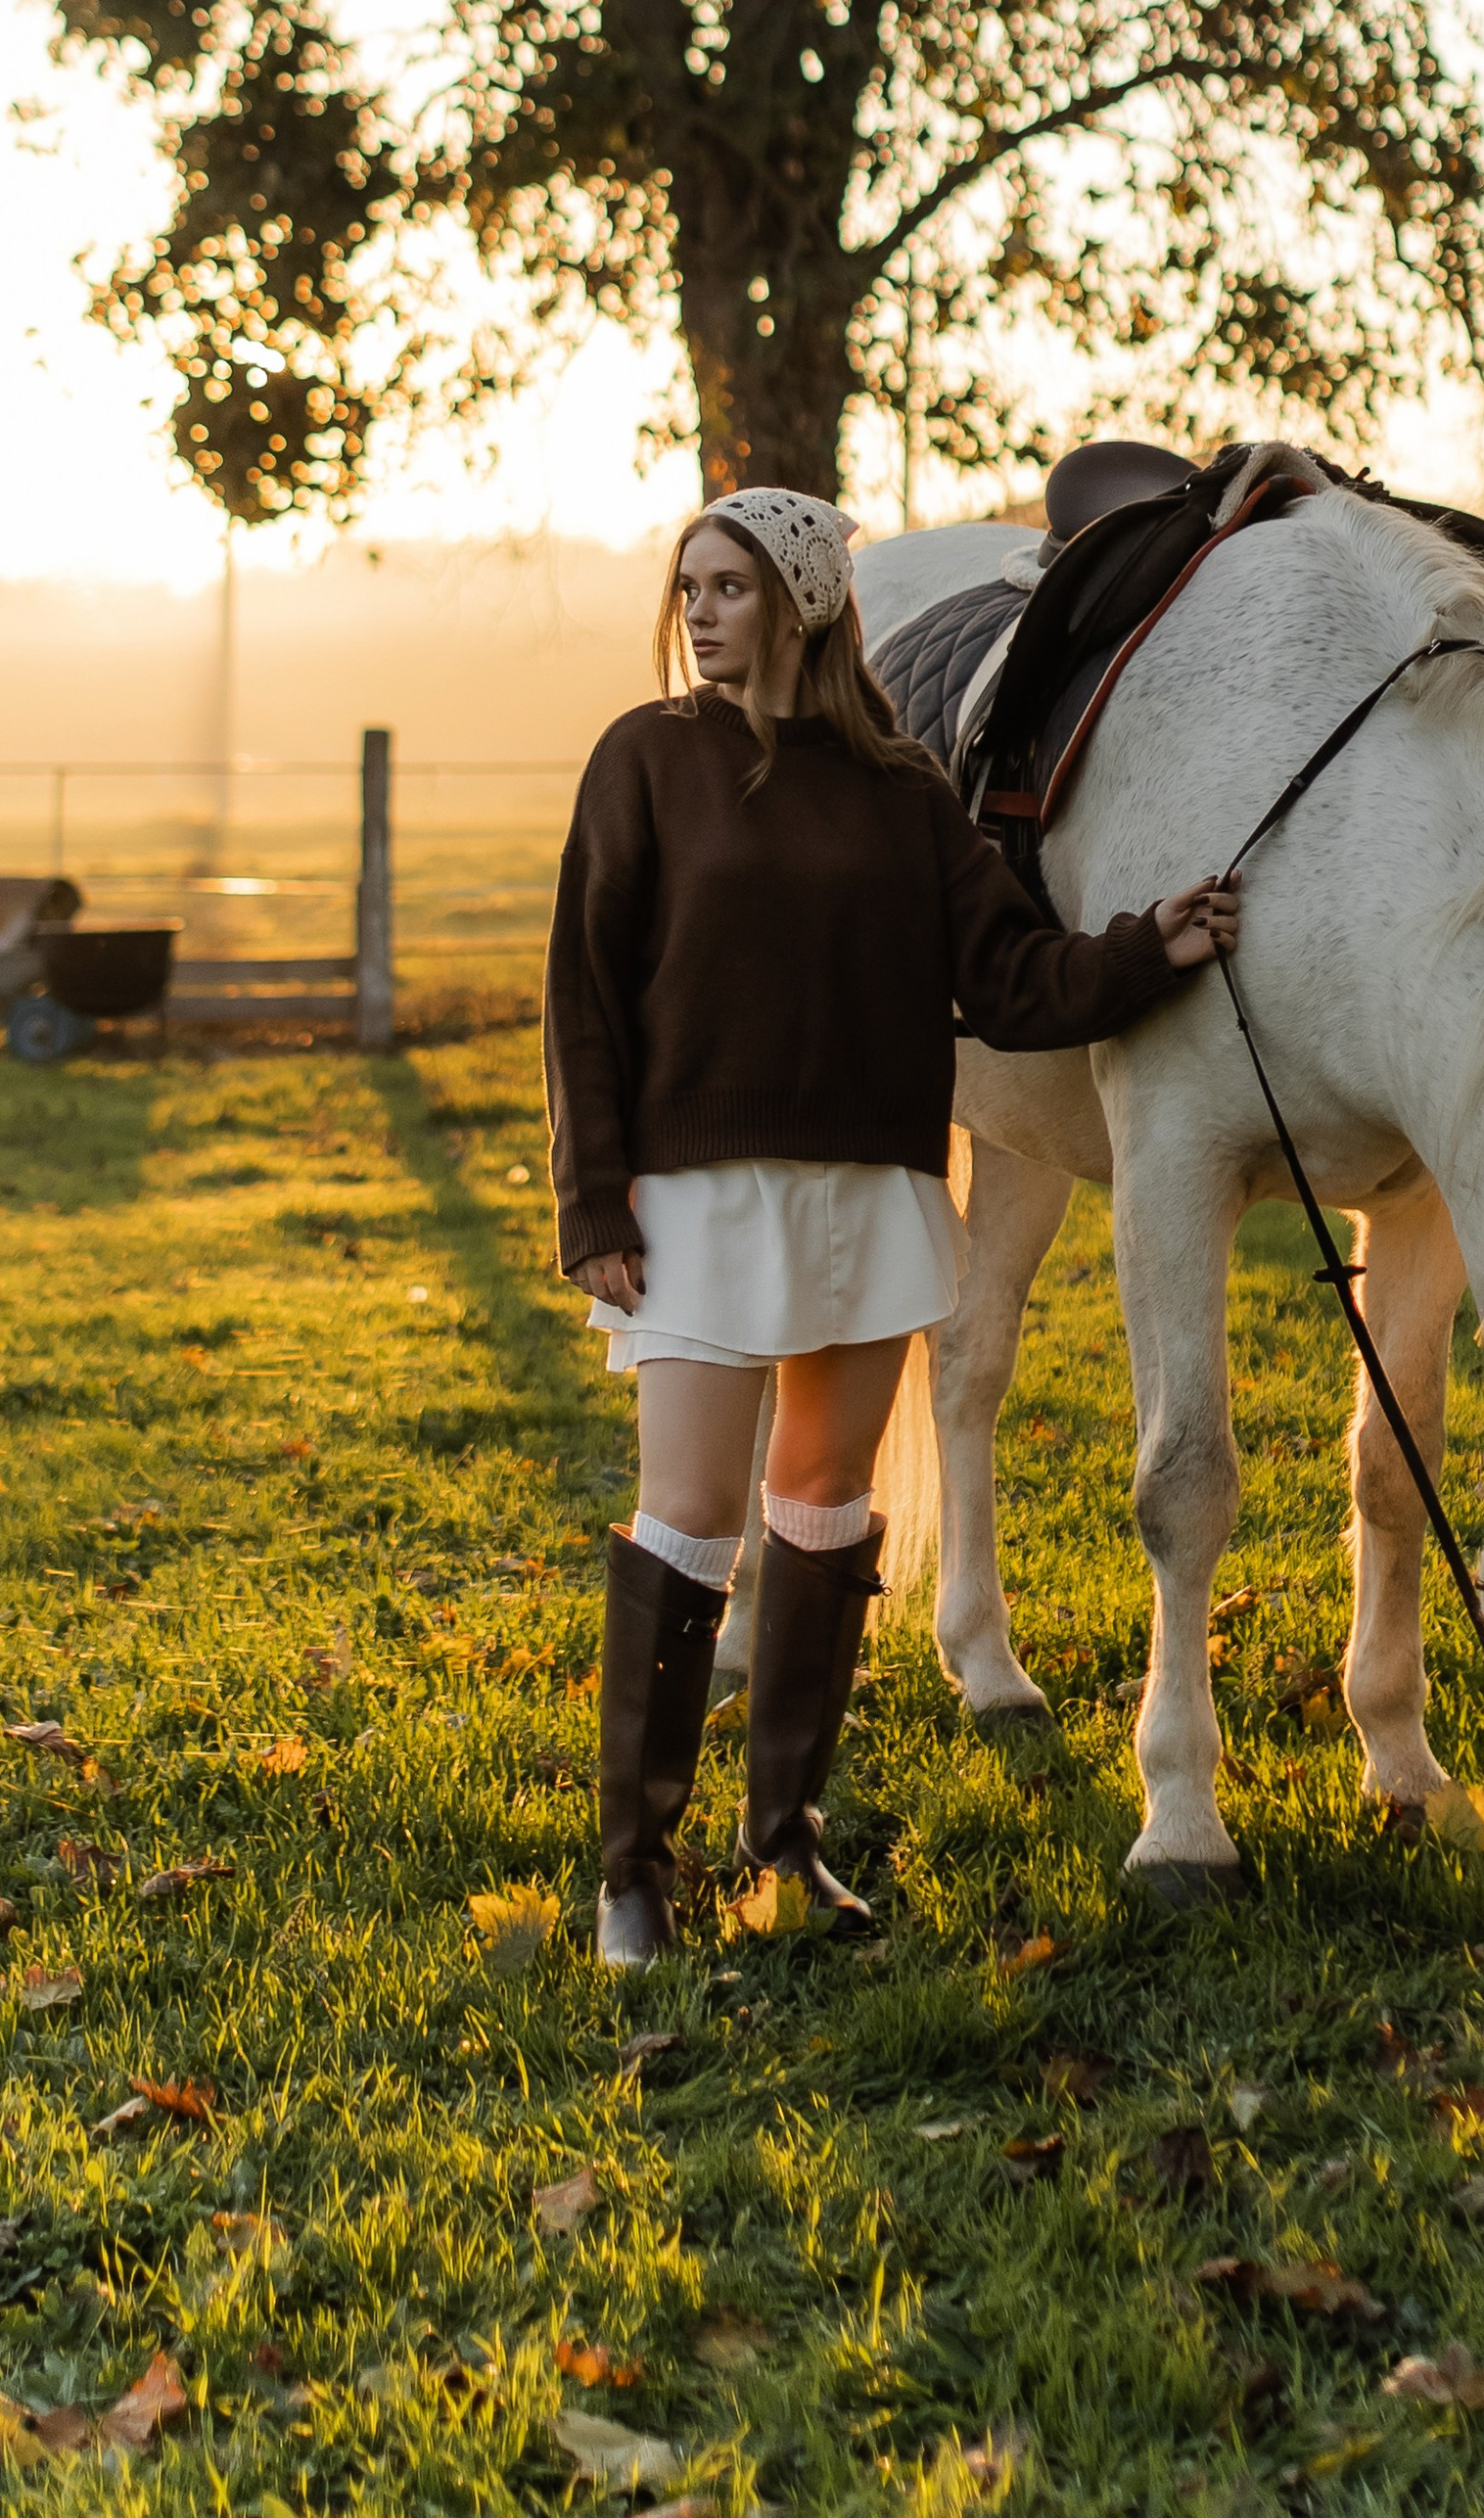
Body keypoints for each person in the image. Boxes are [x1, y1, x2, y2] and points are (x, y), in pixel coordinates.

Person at [544, 485, 1241, 1966]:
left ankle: (784, 1847)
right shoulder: (646, 760)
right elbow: (584, 999)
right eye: (690, 588)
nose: (702, 613)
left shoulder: (903, 793)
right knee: (687, 1521)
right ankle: (632, 1875)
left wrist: (1149, 947)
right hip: (699, 1199)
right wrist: (593, 1203)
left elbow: (1011, 984)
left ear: (805, 602)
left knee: (824, 1512)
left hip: (868, 1193)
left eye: (730, 585)